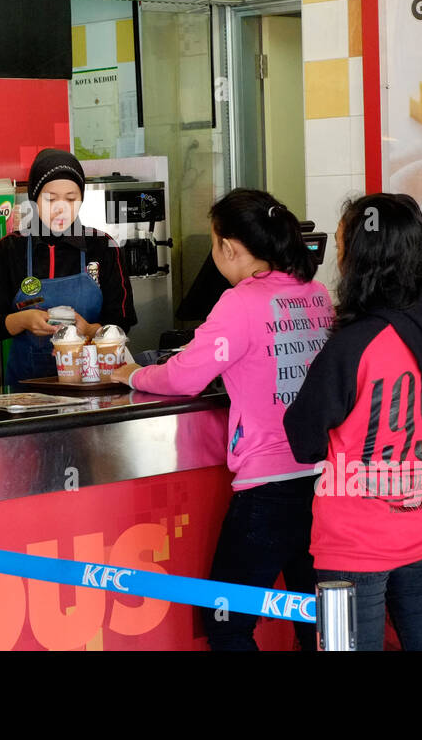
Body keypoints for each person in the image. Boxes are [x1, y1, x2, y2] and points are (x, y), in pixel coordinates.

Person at [112, 189, 331, 651]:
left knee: (226, 622)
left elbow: (185, 376)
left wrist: (134, 374)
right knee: (318, 619)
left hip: (268, 489)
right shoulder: (316, 294)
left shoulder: (241, 302)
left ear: (229, 248)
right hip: (323, 480)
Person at [283, 193, 422, 651]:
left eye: (342, 244)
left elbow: (304, 439)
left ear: (359, 258)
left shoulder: (354, 344)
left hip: (356, 538)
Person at [0, 149, 135, 386]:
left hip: (95, 387)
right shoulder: (8, 250)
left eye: (71, 199)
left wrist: (89, 330)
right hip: (28, 390)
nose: (61, 208)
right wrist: (24, 320)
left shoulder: (103, 246)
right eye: (51, 198)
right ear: (34, 198)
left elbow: (122, 321)